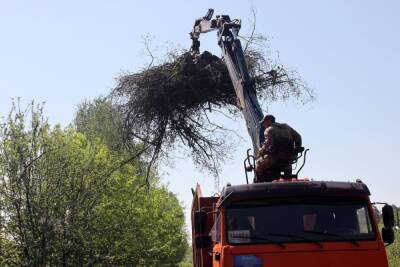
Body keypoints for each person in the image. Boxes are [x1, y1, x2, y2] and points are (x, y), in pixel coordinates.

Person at [254, 114, 303, 182]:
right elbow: (298, 137)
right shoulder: (287, 127)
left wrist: (260, 152)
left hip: (274, 158)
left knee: (258, 164)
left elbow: (268, 143)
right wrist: (297, 148)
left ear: (269, 121)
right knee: (287, 164)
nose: (263, 125)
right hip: (289, 159)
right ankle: (287, 178)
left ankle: (258, 185)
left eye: (264, 123)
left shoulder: (269, 130)